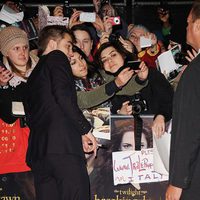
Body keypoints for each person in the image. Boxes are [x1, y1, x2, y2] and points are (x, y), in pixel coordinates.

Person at [24, 25, 97, 200]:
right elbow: (63, 97)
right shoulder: (57, 57)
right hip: (63, 150)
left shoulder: (32, 77)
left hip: (40, 154)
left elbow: (40, 114)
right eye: (68, 46)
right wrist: (85, 129)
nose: (71, 52)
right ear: (52, 44)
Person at [95, 41, 173, 138]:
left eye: (113, 55)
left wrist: (161, 116)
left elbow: (169, 98)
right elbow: (106, 127)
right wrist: (120, 115)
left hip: (160, 134)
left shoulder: (147, 73)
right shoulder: (106, 88)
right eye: (104, 60)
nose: (109, 61)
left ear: (123, 55)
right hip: (129, 142)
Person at [165, 2, 200, 200]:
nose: (186, 29)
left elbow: (189, 129)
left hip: (195, 177)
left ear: (197, 25)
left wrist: (177, 181)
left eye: (188, 24)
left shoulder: (195, 71)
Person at [0, 26, 38, 199]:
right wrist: (4, 87)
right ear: (6, 52)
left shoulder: (41, 71)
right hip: (16, 150)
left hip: (42, 146)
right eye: (16, 48)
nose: (22, 52)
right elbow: (8, 116)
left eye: (25, 47)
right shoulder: (4, 79)